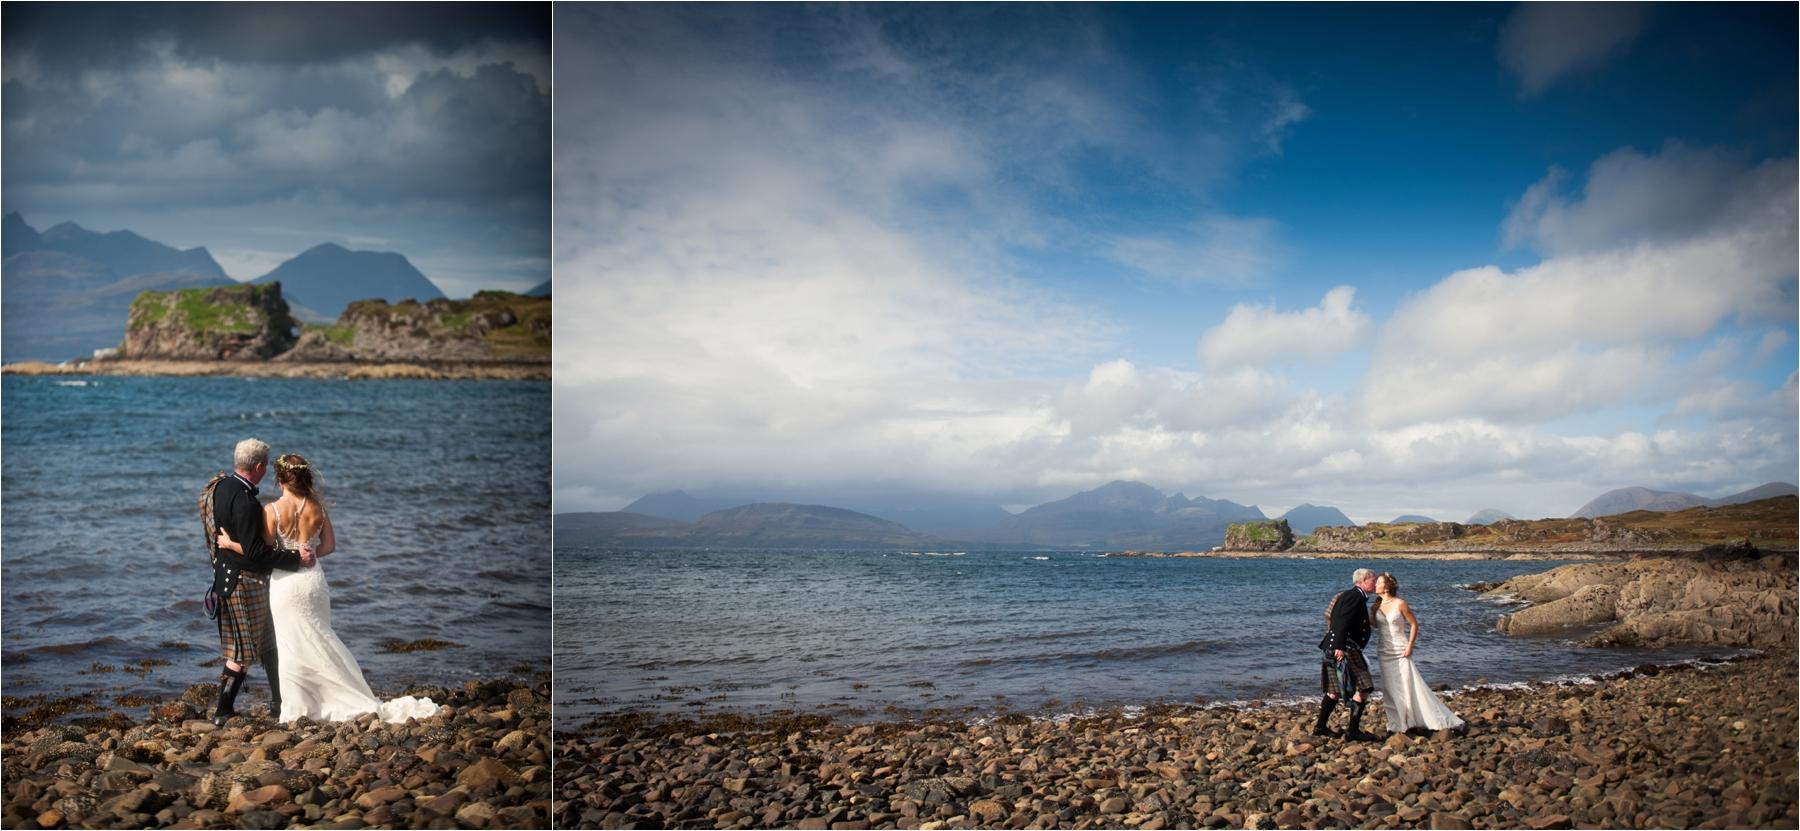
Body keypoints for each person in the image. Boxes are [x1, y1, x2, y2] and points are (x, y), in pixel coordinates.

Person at [216, 453, 439, 723]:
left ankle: (299, 707)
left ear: (280, 479)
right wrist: (308, 554)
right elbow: (330, 546)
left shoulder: (272, 510)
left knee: (290, 644)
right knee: (320, 634)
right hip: (313, 579)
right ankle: (334, 694)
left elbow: (257, 553)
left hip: (286, 584)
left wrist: (229, 545)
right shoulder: (318, 507)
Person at [200, 438, 315, 726]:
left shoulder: (218, 486)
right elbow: (255, 554)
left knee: (268, 646)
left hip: (225, 578)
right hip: (245, 583)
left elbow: (213, 529)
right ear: (260, 466)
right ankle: (223, 711)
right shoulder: (247, 502)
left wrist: (224, 546)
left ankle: (279, 703)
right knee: (243, 652)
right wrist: (294, 559)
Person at [1372, 572, 1465, 734]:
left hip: (1401, 649)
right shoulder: (1376, 606)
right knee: (1390, 688)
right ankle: (1397, 723)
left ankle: (1415, 719)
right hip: (1383, 651)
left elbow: (1414, 624)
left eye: (1378, 583)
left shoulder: (1400, 603)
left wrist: (1410, 645)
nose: (1375, 585)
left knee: (1408, 684)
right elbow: (1373, 626)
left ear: (1386, 587)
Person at [1313, 567, 1380, 741]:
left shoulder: (1349, 595)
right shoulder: (1355, 596)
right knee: (1364, 686)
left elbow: (1333, 617)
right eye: (1373, 579)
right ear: (1363, 580)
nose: (1376, 582)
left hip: (1338, 646)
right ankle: (1352, 731)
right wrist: (1339, 646)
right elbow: (1341, 621)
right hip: (1346, 648)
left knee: (1334, 690)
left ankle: (1320, 727)